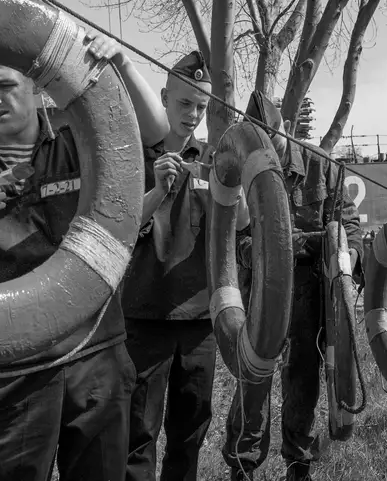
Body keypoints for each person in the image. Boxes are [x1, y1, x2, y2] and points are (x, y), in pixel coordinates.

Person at [0, 31, 168, 481]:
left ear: (34, 84)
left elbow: (154, 134)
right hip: (12, 365)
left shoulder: (78, 140)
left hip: (96, 354)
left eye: (6, 85)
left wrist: (124, 67)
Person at [222, 91, 363, 481]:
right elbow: (234, 237)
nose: (267, 153)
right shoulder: (243, 168)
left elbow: (349, 225)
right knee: (253, 378)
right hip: (260, 290)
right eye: (259, 145)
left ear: (284, 130)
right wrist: (261, 252)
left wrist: (346, 262)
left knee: (303, 377)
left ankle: (299, 465)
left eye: (273, 142)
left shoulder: (322, 165)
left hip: (310, 289)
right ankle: (243, 465)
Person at [122, 50, 224, 481]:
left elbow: (236, 228)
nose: (193, 115)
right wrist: (156, 191)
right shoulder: (132, 156)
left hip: (199, 322)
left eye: (201, 107)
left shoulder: (214, 162)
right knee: (137, 434)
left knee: (190, 432)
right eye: (184, 103)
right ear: (164, 98)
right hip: (144, 318)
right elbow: (117, 232)